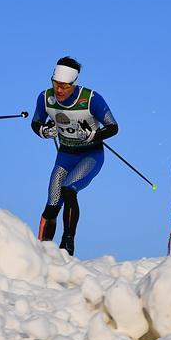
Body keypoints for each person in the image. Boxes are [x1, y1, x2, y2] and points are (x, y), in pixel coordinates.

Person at [30, 56, 118, 256]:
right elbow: (36, 122)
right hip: (65, 155)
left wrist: (96, 135)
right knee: (52, 203)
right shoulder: (45, 98)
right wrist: (43, 131)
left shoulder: (91, 99)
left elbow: (113, 127)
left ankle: (67, 246)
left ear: (73, 84)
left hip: (90, 155)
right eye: (56, 84)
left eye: (64, 86)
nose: (59, 90)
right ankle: (41, 250)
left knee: (69, 189)